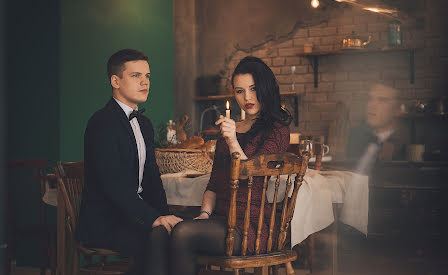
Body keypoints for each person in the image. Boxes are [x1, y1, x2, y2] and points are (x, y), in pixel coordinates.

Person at [169, 56, 292, 275]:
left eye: (253, 89)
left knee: (182, 232)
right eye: (239, 91)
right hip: (220, 221)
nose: (247, 98)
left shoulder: (277, 128)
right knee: (163, 232)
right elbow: (214, 183)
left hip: (251, 228)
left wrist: (232, 140)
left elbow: (249, 175)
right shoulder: (232, 129)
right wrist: (204, 214)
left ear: (265, 87)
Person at [76, 48, 182, 275]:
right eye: (136, 76)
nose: (145, 82)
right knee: (155, 240)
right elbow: (112, 185)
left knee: (180, 236)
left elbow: (152, 178)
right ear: (115, 81)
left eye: (147, 76)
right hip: (106, 221)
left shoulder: (144, 123)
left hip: (132, 217)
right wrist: (152, 218)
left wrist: (164, 217)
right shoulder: (102, 122)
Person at [347, 83, 401, 175]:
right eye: (370, 99)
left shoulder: (403, 144)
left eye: (382, 100)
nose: (372, 105)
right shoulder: (355, 136)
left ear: (397, 110)